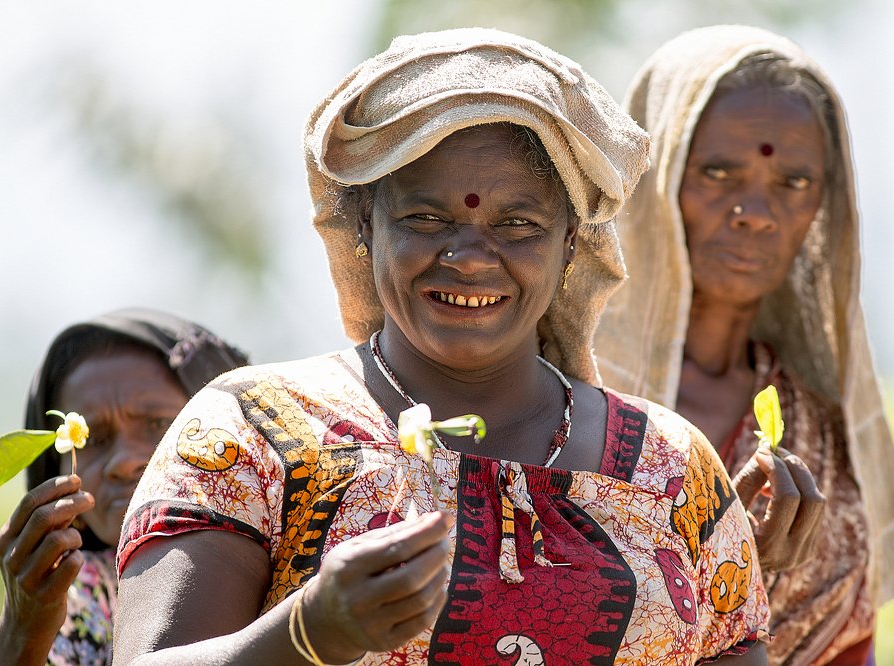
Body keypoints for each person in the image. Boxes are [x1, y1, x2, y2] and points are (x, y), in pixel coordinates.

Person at [112, 28, 769, 665]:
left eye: (518, 224)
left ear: (570, 243)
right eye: (426, 218)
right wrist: (308, 634)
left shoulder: (672, 468)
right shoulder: (253, 432)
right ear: (365, 224)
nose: (470, 258)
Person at [595, 25, 894, 665]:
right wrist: (724, 576)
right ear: (653, 179)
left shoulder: (818, 432)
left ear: (822, 207)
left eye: (793, 182)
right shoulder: (554, 399)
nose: (755, 211)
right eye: (718, 172)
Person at [0, 309, 248, 666]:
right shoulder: (74, 603)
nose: (124, 461)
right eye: (92, 439)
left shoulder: (314, 548)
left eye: (158, 423)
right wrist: (21, 631)